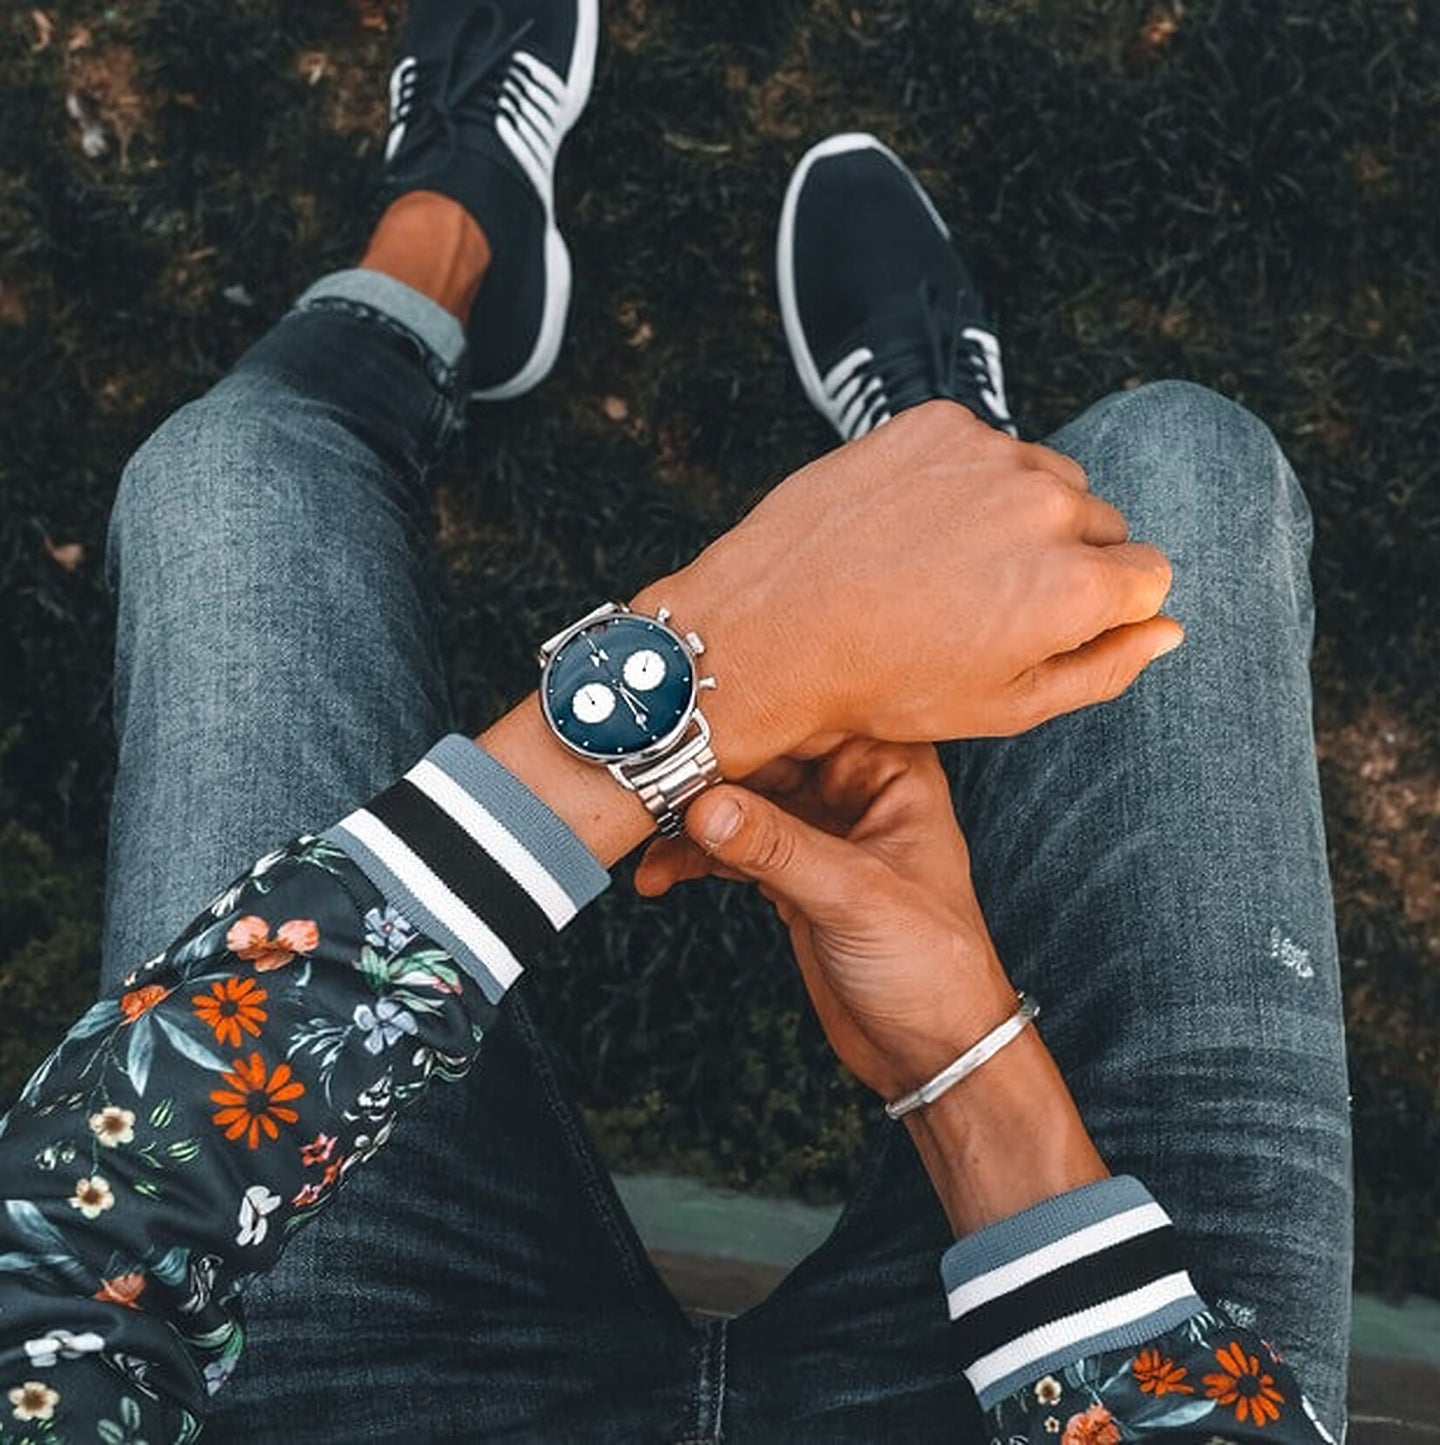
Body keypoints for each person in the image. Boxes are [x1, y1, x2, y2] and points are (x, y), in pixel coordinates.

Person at [0, 2, 1350, 1442]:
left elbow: (46, 1288)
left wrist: (710, 672)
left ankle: (449, 242)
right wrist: (961, 1066)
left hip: (334, 1395)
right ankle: (930, 475)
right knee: (1180, 473)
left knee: (233, 471)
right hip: (1101, 1373)